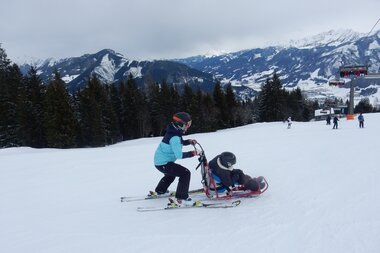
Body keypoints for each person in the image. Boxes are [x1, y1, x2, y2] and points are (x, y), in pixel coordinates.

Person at [152, 112, 200, 206]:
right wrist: (193, 153)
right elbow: (179, 155)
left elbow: (179, 143)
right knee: (185, 173)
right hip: (164, 163)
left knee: (171, 174)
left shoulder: (173, 131)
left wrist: (189, 141)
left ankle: (161, 190)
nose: (188, 127)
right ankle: (182, 198)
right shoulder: (174, 137)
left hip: (160, 162)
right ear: (180, 124)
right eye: (187, 124)